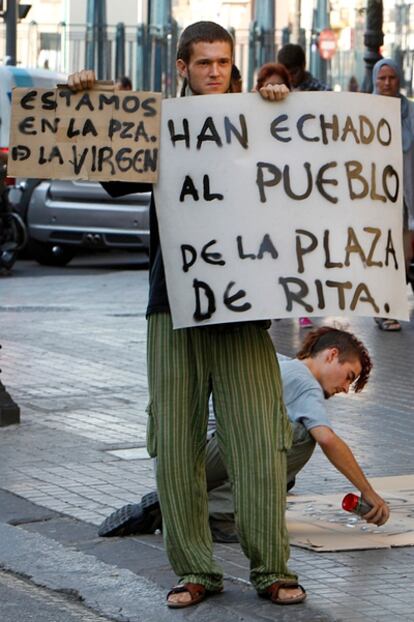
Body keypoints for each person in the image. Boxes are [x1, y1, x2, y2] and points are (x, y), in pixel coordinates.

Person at [68, 22, 305, 609]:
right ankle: (195, 570)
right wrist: (87, 104)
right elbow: (113, 176)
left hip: (245, 310)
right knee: (175, 444)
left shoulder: (261, 121)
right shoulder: (158, 128)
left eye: (224, 62)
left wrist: (285, 110)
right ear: (181, 68)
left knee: (258, 440)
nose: (216, 72)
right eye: (204, 63)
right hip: (172, 305)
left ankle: (271, 568)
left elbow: (306, 179)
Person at [99, 327, 390, 542]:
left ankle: (179, 502)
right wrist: (368, 491)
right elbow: (327, 439)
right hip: (201, 453)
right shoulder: (305, 383)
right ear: (332, 355)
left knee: (284, 475)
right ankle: (215, 514)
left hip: (180, 454)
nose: (344, 389)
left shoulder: (275, 360)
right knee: (301, 438)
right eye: (349, 376)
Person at [254, 62, 313, 329]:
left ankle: (300, 306)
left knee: (296, 257)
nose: (273, 91)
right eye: (267, 86)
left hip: (293, 205)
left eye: (279, 85)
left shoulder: (301, 121)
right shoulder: (248, 119)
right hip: (264, 208)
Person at [372, 58, 414, 332]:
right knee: (380, 256)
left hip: (406, 199)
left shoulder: (409, 112)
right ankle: (383, 310)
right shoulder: (364, 111)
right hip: (375, 198)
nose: (387, 83)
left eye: (392, 78)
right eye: (382, 78)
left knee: (404, 255)